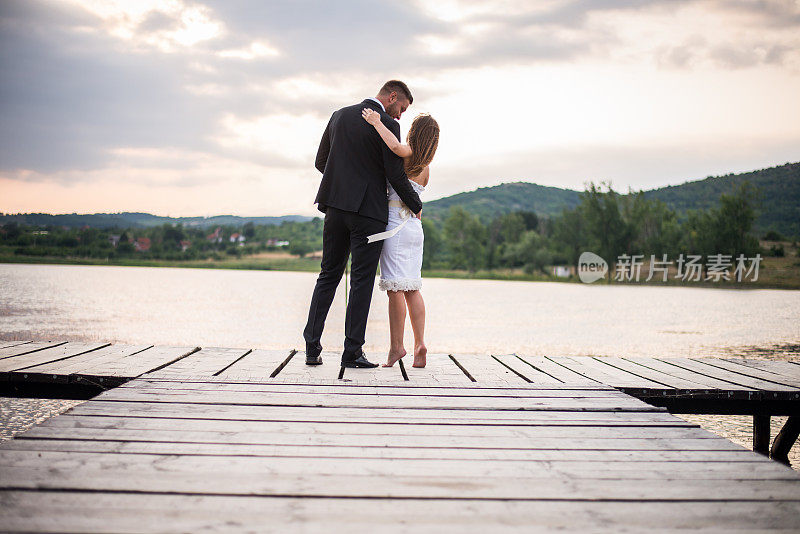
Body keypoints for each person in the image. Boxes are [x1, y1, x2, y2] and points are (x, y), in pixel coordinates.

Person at [303, 81, 422, 369]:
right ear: (392, 97)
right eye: (401, 109)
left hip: (335, 207)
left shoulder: (339, 116)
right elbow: (395, 175)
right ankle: (352, 352)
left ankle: (311, 346)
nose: (399, 117)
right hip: (369, 214)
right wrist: (416, 205)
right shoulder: (387, 126)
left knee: (328, 275)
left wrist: (345, 180)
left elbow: (322, 162)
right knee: (361, 282)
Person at [362, 109, 440, 368]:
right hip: (415, 229)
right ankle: (420, 343)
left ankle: (397, 346)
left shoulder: (407, 153)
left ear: (414, 134)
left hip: (395, 225)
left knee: (395, 288)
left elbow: (393, 145)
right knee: (413, 287)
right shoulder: (426, 168)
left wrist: (375, 122)